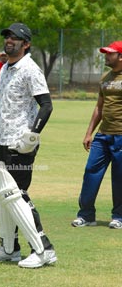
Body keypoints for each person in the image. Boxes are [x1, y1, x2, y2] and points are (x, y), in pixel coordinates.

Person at [0, 22, 57, 268]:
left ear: (26, 44)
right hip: (3, 141)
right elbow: (1, 107)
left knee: (16, 195)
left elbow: (46, 105)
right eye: (7, 36)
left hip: (21, 143)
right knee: (4, 196)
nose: (9, 40)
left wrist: (31, 137)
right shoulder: (5, 69)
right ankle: (9, 248)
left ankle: (44, 250)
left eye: (15, 38)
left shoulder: (30, 69)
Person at [72, 41, 122, 229]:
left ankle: (119, 216)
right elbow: (99, 107)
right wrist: (89, 133)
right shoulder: (105, 78)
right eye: (105, 53)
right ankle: (86, 215)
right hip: (103, 135)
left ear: (120, 56)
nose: (106, 56)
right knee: (91, 172)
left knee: (119, 177)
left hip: (121, 136)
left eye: (110, 53)